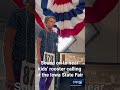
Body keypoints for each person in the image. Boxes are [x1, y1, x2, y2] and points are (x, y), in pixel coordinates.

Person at [3, 0, 35, 89]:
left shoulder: (45, 18)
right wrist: (9, 73)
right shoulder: (17, 15)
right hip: (18, 69)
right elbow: (7, 44)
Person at [37, 16, 58, 90]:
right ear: (46, 23)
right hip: (43, 56)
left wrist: (56, 58)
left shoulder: (55, 34)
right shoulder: (42, 32)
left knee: (50, 76)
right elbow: (38, 44)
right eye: (51, 21)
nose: (53, 23)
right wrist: (39, 57)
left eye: (54, 22)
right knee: (43, 75)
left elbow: (55, 46)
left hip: (51, 57)